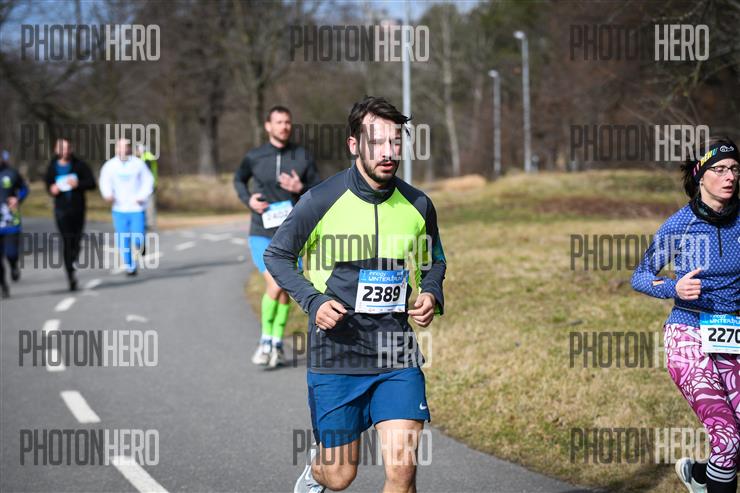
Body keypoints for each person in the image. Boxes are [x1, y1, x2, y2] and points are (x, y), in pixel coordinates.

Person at [264, 96, 446, 493]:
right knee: (340, 476)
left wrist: (431, 292)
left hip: (396, 354)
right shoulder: (320, 200)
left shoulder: (418, 204)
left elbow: (433, 261)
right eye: (376, 142)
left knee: (402, 472)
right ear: (354, 145)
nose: (388, 152)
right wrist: (313, 301)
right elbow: (277, 255)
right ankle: (315, 474)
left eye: (395, 141)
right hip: (337, 353)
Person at [632, 137, 740, 493]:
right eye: (719, 169)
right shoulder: (680, 225)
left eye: (734, 169)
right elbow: (640, 275)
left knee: (733, 447)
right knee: (728, 439)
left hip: (733, 334)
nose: (729, 176)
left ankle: (700, 476)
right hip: (688, 335)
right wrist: (672, 288)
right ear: (700, 176)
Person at [233, 105, 321, 368]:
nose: (284, 126)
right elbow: (238, 180)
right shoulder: (255, 156)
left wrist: (300, 187)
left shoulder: (302, 156)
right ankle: (266, 342)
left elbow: (319, 189)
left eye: (287, 122)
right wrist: (248, 200)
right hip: (262, 232)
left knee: (284, 289)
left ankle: (276, 344)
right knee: (275, 284)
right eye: (279, 122)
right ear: (268, 126)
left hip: (293, 234)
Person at [45, 138, 96, 291]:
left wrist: (78, 184)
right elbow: (48, 185)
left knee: (76, 241)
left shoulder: (80, 165)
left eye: (67, 148)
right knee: (67, 240)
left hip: (78, 209)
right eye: (61, 148)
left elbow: (92, 183)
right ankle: (70, 274)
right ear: (56, 150)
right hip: (61, 210)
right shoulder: (52, 167)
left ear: (71, 149)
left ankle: (73, 258)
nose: (64, 151)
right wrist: (52, 189)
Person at [99, 139, 154, 276]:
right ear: (116, 149)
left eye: (125, 147)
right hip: (119, 208)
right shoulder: (110, 166)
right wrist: (108, 194)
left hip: (136, 207)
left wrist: (142, 196)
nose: (122, 150)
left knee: (137, 237)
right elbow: (104, 182)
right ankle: (130, 266)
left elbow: (148, 181)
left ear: (129, 149)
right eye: (120, 147)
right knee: (123, 239)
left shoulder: (138, 164)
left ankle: (140, 245)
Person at [0, 150, 29, 298]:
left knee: (11, 253)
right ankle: (3, 285)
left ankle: (13, 265)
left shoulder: (11, 173)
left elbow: (24, 188)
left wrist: (18, 199)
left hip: (10, 220)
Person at [135, 144, 158, 230]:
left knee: (149, 205)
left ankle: (149, 223)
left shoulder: (147, 158)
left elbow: (145, 174)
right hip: (150, 185)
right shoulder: (146, 157)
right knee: (147, 204)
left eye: (137, 150)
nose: (136, 152)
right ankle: (147, 222)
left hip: (149, 186)